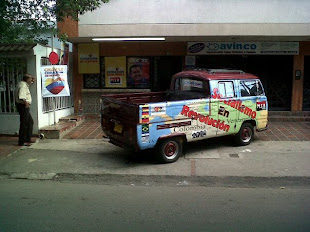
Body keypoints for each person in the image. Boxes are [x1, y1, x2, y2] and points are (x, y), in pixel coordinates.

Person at [15, 74, 35, 146]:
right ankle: (22, 141)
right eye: (30, 78)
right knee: (24, 123)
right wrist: (26, 104)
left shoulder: (23, 84)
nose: (31, 80)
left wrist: (32, 81)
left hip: (23, 106)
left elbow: (30, 83)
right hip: (23, 106)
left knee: (30, 122)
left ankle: (27, 139)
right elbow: (21, 97)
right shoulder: (23, 86)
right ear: (27, 79)